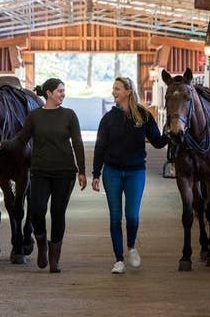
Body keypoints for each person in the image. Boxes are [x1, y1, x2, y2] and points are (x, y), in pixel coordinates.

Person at [0, 77, 86, 273]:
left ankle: (54, 257)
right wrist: (3, 144)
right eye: (60, 91)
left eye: (63, 91)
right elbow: (21, 139)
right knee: (37, 211)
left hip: (64, 172)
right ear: (49, 93)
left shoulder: (69, 115)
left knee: (58, 214)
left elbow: (77, 143)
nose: (62, 94)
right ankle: (40, 241)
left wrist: (82, 171)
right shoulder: (34, 116)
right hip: (40, 171)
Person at [91, 76, 167, 274]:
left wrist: (171, 130)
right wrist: (96, 174)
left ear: (128, 91)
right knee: (115, 217)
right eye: (113, 89)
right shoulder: (108, 119)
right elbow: (100, 147)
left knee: (132, 216)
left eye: (117, 89)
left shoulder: (143, 116)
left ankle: (131, 246)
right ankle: (118, 260)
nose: (114, 92)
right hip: (112, 172)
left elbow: (158, 142)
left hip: (135, 172)